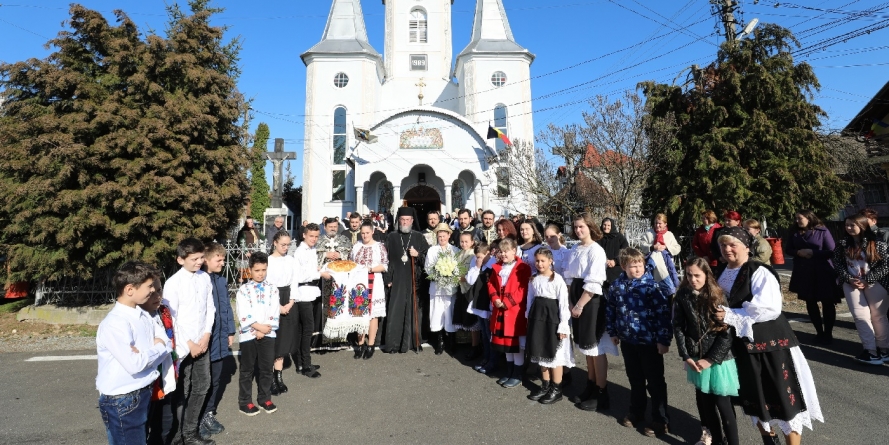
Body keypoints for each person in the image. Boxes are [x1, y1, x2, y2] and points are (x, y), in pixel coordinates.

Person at [716, 227, 823, 445]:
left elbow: (768, 309)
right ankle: (769, 440)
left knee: (783, 401)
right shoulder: (722, 271)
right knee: (755, 399)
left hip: (772, 346)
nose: (727, 249)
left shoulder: (759, 271)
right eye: (723, 245)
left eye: (732, 244)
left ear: (747, 247)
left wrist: (729, 314)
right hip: (742, 346)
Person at [97, 261, 171, 445]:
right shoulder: (115, 323)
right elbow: (135, 364)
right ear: (130, 289)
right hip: (123, 399)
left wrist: (148, 351)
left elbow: (167, 342)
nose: (153, 291)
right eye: (149, 287)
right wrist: (157, 347)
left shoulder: (143, 313)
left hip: (142, 392)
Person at [607, 247, 673, 436]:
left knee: (655, 382)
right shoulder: (617, 286)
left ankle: (660, 419)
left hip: (649, 342)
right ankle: (636, 411)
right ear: (623, 267)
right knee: (635, 379)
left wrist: (663, 340)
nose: (637, 269)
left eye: (640, 265)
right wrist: (612, 331)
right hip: (628, 340)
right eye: (632, 266)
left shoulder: (652, 287)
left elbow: (663, 315)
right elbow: (611, 309)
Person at [673, 258, 740, 445]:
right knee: (706, 404)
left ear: (706, 275)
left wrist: (711, 359)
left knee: (723, 404)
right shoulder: (682, 295)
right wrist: (686, 355)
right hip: (696, 357)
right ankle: (716, 440)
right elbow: (678, 326)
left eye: (697, 275)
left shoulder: (717, 295)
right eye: (689, 275)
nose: (692, 279)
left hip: (719, 360)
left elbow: (727, 333)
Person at [163, 238, 215, 445]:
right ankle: (176, 437)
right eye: (194, 259)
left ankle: (190, 432)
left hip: (202, 341)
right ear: (180, 259)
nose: (199, 262)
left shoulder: (204, 278)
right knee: (181, 391)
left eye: (201, 257)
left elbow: (209, 308)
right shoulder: (173, 283)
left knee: (202, 385)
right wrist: (189, 343)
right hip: (183, 346)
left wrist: (206, 335)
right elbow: (171, 318)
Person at [564, 214, 614, 411]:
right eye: (576, 227)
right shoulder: (575, 249)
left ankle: (602, 392)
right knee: (586, 347)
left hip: (591, 301)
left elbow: (594, 283)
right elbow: (569, 278)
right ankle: (591, 385)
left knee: (595, 348)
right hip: (577, 296)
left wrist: (579, 305)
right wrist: (570, 302)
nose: (578, 230)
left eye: (581, 226)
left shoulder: (596, 250)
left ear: (590, 227)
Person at [832, 214, 889, 365]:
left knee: (878, 316)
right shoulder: (842, 244)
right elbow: (837, 264)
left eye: (852, 225)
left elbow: (886, 265)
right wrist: (849, 278)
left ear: (862, 226)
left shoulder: (877, 243)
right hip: (851, 283)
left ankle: (884, 349)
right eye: (847, 225)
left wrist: (868, 279)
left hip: (876, 283)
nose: (849, 228)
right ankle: (870, 351)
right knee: (860, 316)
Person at [525, 248, 574, 405]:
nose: (539, 264)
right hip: (537, 318)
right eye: (537, 261)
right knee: (540, 351)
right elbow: (530, 298)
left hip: (552, 319)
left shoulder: (557, 279)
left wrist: (563, 325)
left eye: (543, 261)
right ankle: (545, 385)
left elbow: (563, 304)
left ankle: (556, 388)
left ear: (550, 261)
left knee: (555, 354)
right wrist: (528, 316)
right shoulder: (534, 279)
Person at [784, 209, 839, 345]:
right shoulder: (794, 232)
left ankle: (828, 333)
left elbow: (832, 251)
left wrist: (812, 252)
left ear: (809, 218)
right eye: (796, 218)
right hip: (804, 271)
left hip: (823, 271)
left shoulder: (822, 231)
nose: (797, 221)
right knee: (810, 301)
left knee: (827, 302)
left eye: (800, 218)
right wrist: (798, 252)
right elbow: (788, 249)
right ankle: (819, 332)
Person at [235, 252, 280, 416]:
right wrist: (257, 327)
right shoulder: (243, 290)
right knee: (247, 369)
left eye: (263, 270)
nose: (260, 274)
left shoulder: (272, 289)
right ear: (250, 270)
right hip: (249, 334)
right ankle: (245, 401)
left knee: (266, 368)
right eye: (257, 270)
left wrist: (264, 329)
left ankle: (264, 398)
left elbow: (274, 310)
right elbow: (243, 312)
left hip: (268, 332)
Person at [199, 243, 235, 440]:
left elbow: (227, 307)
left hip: (220, 337)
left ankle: (209, 413)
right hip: (207, 338)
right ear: (206, 260)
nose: (222, 263)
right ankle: (198, 417)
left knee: (217, 378)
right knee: (203, 381)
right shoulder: (200, 280)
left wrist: (230, 330)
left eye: (223, 259)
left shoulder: (221, 281)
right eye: (218, 260)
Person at [382, 207, 430, 353]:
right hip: (396, 278)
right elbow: (385, 259)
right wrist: (388, 278)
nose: (405, 222)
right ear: (399, 220)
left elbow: (428, 259)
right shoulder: (391, 236)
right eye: (402, 220)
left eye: (407, 220)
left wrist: (418, 254)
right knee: (395, 310)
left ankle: (415, 342)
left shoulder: (419, 237)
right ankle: (393, 344)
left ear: (412, 221)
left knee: (415, 311)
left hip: (414, 278)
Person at [487, 238, 532, 388]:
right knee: (505, 343)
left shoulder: (523, 267)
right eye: (501, 251)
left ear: (514, 251)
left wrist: (507, 302)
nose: (503, 254)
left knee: (515, 344)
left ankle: (517, 375)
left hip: (514, 311)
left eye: (506, 251)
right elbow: (491, 284)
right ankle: (510, 371)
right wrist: (495, 299)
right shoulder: (498, 266)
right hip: (499, 309)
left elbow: (523, 289)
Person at [142, 277, 179, 445]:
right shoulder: (139, 316)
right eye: (152, 293)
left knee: (165, 422)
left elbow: (171, 341)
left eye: (159, 291)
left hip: (165, 375)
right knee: (143, 424)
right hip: (148, 382)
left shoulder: (163, 311)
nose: (157, 296)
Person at [350, 221, 389, 360]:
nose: (365, 235)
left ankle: (371, 344)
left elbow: (384, 265)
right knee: (359, 312)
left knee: (373, 315)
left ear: (372, 232)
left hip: (374, 280)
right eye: (362, 233)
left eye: (367, 233)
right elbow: (351, 262)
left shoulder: (379, 246)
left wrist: (370, 269)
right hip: (358, 282)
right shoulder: (356, 246)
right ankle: (360, 344)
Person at [266, 231, 296, 394]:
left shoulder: (290, 260)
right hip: (273, 300)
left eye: (288, 245)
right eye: (283, 244)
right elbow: (267, 286)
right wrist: (278, 306)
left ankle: (278, 376)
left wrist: (290, 302)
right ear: (275, 243)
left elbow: (295, 282)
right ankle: (270, 377)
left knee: (284, 339)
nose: (286, 247)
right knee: (273, 340)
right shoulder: (269, 261)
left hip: (287, 298)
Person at [315, 217, 352, 350]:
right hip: (324, 279)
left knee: (340, 305)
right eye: (330, 227)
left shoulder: (344, 239)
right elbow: (314, 255)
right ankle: (324, 339)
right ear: (325, 227)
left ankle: (340, 338)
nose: (333, 229)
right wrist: (325, 254)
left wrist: (340, 254)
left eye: (335, 227)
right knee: (324, 306)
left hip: (340, 279)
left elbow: (350, 252)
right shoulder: (318, 240)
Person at [293, 224, 323, 377]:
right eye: (311, 236)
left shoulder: (312, 250)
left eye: (316, 236)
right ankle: (306, 365)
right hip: (303, 293)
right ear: (304, 235)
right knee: (307, 330)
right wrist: (319, 274)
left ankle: (301, 362)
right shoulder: (300, 252)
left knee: (303, 329)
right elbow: (300, 276)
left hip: (311, 292)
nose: (314, 239)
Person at [425, 223, 460, 355]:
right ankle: (440, 341)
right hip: (437, 287)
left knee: (449, 312)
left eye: (444, 236)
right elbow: (428, 267)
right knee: (437, 312)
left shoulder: (455, 250)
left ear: (449, 235)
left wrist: (450, 274)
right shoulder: (432, 250)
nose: (442, 238)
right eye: (440, 236)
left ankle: (451, 341)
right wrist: (438, 274)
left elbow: (458, 267)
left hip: (450, 287)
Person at [467, 242, 496, 373]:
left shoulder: (493, 265)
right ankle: (486, 357)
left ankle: (492, 361)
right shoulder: (478, 265)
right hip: (479, 304)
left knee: (490, 335)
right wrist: (477, 267)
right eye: (476, 257)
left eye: (480, 257)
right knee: (484, 334)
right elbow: (470, 280)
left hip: (488, 305)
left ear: (488, 253)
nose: (478, 259)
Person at [453, 231, 482, 359]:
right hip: (461, 288)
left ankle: (476, 346)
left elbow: (473, 274)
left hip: (471, 289)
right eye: (462, 241)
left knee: (472, 320)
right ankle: (469, 343)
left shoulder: (473, 255)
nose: (464, 244)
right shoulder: (459, 254)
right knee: (465, 317)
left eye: (466, 241)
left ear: (472, 242)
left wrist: (460, 278)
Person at [598, 217, 629, 290]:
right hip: (601, 270)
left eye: (608, 225)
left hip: (616, 271)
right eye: (604, 225)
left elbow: (625, 252)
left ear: (612, 226)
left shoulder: (619, 238)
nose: (606, 227)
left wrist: (615, 261)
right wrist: (604, 260)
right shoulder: (598, 237)